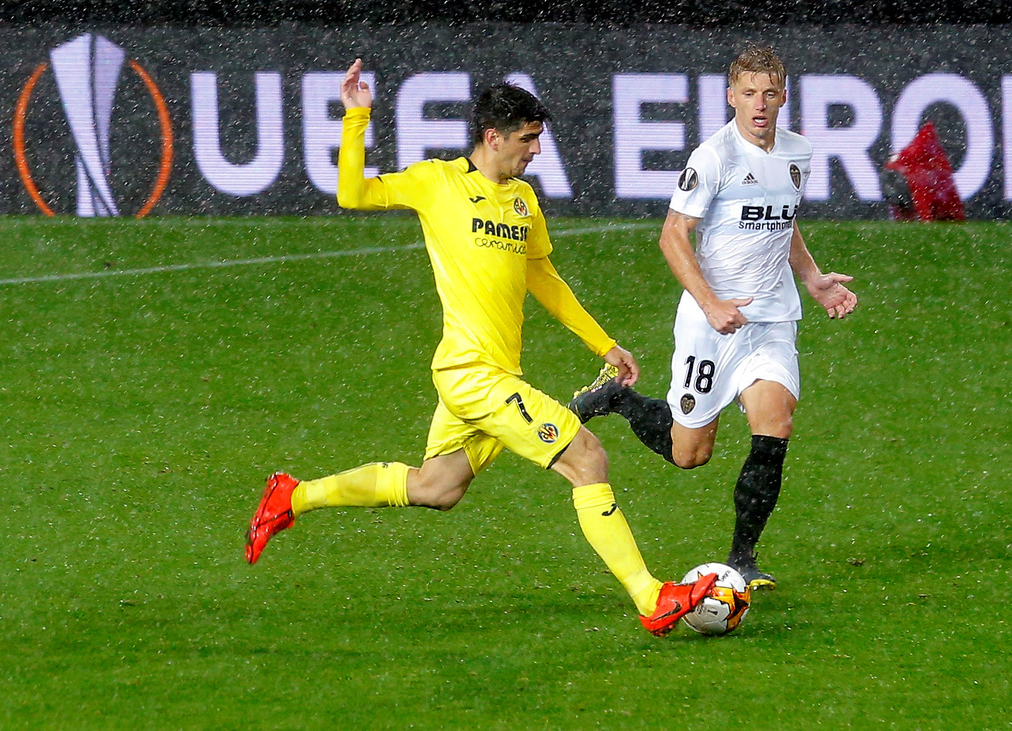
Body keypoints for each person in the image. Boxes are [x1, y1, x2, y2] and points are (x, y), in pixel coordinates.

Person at [245, 59, 716, 636]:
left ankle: (293, 497)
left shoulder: (522, 201)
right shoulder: (437, 182)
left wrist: (604, 343)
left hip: (485, 375)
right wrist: (356, 117)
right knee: (587, 458)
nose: (536, 150)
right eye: (527, 139)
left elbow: (543, 278)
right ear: (493, 137)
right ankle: (651, 597)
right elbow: (352, 193)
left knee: (436, 487)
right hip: (475, 376)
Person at [569, 44, 858, 590]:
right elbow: (672, 235)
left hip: (770, 320)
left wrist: (813, 279)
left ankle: (742, 559)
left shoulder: (799, 152)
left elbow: (784, 222)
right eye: (749, 93)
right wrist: (710, 303)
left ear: (784, 97)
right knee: (690, 454)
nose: (759, 104)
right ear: (731, 97)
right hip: (710, 324)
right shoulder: (713, 157)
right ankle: (619, 400)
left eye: (769, 93)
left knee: (776, 424)